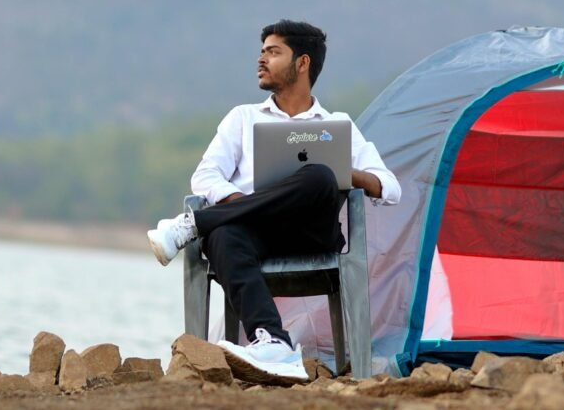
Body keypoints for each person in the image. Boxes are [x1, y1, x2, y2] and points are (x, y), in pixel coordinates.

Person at [147, 20, 400, 379]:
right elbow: (204, 177)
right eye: (262, 51)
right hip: (254, 237)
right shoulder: (242, 118)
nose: (261, 59)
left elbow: (389, 187)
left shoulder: (336, 124)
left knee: (319, 176)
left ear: (302, 63)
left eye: (273, 51)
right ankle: (273, 342)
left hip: (311, 234)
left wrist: (341, 168)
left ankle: (194, 224)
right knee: (223, 235)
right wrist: (245, 204)